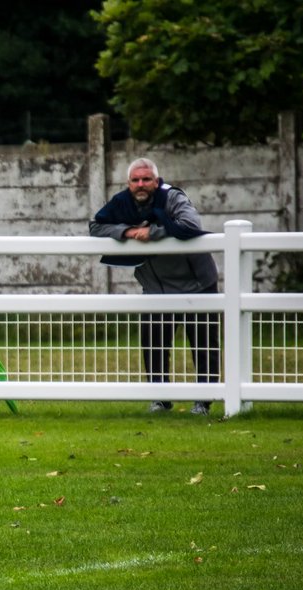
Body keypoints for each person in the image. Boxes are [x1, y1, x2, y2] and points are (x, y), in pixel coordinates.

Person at [90, 157, 220, 415]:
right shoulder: (122, 201)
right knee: (154, 344)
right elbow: (95, 226)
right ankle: (160, 398)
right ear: (128, 183)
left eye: (146, 179)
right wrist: (127, 232)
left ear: (156, 181)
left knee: (204, 345)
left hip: (196, 284)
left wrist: (154, 233)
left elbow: (192, 225)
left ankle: (203, 401)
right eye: (135, 180)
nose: (141, 184)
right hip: (156, 288)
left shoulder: (172, 197)